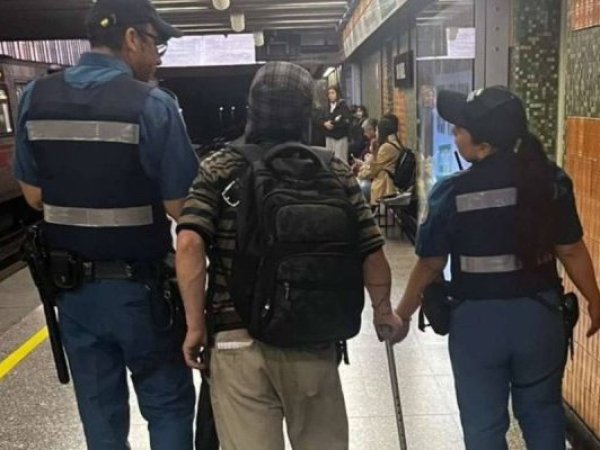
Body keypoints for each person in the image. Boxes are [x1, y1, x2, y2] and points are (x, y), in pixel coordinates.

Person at [176, 61, 407, 450]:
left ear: (252, 109)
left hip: (236, 338)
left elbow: (188, 244)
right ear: (307, 113)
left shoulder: (219, 166)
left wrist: (195, 325)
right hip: (311, 336)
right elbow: (371, 249)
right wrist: (384, 312)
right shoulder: (332, 170)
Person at [13, 0, 198, 448]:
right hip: (144, 294)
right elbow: (183, 207)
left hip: (73, 293)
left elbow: (34, 195)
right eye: (156, 45)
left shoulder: (35, 97)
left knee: (100, 416)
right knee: (167, 405)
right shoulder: (153, 104)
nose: (157, 58)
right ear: (132, 38)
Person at [394, 86, 600, 450]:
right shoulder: (549, 182)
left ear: (484, 145)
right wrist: (594, 299)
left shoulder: (451, 193)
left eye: (460, 128)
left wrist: (403, 314)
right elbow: (570, 249)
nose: (454, 133)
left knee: (483, 427)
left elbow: (430, 264)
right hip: (539, 319)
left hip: (477, 326)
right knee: (542, 413)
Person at [354, 114, 402, 205]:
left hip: (384, 186)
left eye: (376, 130)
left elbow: (373, 170)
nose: (376, 133)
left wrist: (373, 152)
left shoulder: (386, 147)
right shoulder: (392, 144)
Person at [322, 84, 351, 162]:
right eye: (329, 93)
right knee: (330, 160)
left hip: (340, 137)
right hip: (329, 137)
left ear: (337, 94)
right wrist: (324, 123)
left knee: (340, 160)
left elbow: (346, 120)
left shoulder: (343, 106)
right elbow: (321, 118)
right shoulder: (326, 107)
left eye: (333, 93)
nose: (330, 95)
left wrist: (333, 123)